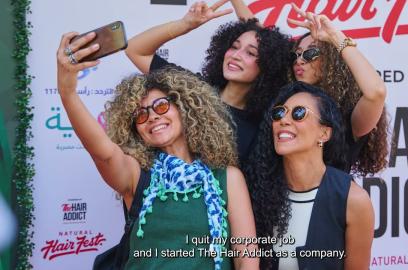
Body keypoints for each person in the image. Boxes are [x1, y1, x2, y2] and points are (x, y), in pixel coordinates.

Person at [56, 31, 258, 269]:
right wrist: (67, 93)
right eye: (141, 115)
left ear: (184, 109)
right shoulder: (137, 173)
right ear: (135, 129)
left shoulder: (227, 177)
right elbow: (103, 152)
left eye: (161, 106)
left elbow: (247, 260)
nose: (152, 116)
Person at [125, 0, 292, 167]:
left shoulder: (260, 127)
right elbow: (135, 49)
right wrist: (185, 25)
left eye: (250, 53)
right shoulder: (191, 89)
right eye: (234, 47)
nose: (236, 55)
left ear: (268, 65)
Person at [246, 81, 374, 270]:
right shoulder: (258, 190)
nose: (284, 120)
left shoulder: (352, 199)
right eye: (279, 113)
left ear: (324, 133)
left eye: (298, 113)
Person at [287, 4, 389, 175]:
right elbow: (259, 41)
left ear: (333, 62)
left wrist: (335, 37)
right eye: (296, 54)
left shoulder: (349, 118)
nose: (299, 60)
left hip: (333, 200)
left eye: (310, 53)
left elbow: (376, 92)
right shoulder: (283, 108)